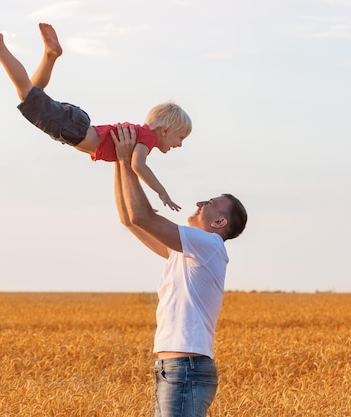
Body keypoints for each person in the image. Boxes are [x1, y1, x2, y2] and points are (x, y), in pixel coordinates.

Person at [0, 23, 191, 211]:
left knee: (33, 95)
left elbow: (130, 166)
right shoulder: (147, 139)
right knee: (26, 94)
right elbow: (138, 166)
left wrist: (139, 201)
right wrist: (162, 193)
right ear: (164, 130)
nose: (180, 144)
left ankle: (50, 56)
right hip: (74, 129)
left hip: (76, 126)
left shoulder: (140, 137)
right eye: (180, 138)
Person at [111, 124, 247, 417]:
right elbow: (130, 220)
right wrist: (118, 161)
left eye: (209, 203)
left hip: (185, 369)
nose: (200, 203)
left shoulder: (208, 245)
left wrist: (126, 161)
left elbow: (141, 216)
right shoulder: (188, 252)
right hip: (177, 369)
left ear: (220, 224)